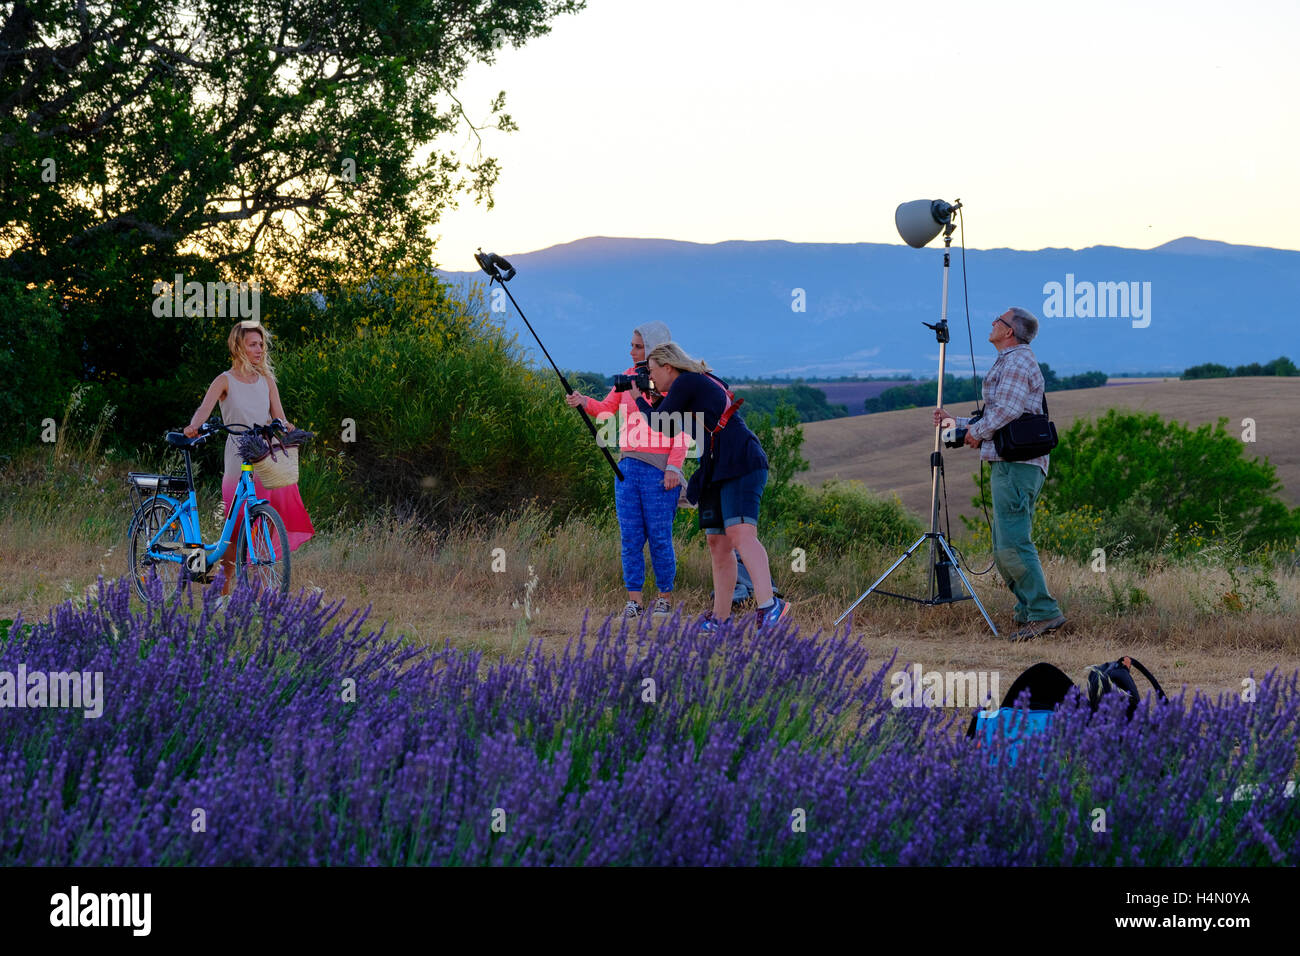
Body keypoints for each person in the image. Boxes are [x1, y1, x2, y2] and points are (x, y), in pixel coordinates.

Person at [631, 342, 790, 631]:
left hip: (740, 460)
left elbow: (658, 423)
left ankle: (769, 605)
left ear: (669, 367)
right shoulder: (696, 383)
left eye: (653, 372)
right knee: (718, 543)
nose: (652, 378)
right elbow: (670, 426)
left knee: (741, 534)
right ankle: (721, 620)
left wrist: (637, 398)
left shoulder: (688, 380)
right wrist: (653, 398)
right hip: (716, 466)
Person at [935, 307, 1065, 641]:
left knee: (1013, 543)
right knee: (1004, 544)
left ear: (1010, 332)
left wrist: (976, 434)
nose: (993, 323)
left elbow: (1007, 412)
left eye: (999, 320)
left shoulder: (1018, 362)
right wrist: (958, 425)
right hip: (1012, 464)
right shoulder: (1012, 361)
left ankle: (1043, 612)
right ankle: (1028, 612)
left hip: (1017, 468)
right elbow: (1001, 415)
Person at [565, 322, 689, 620]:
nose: (631, 351)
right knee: (631, 538)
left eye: (638, 346)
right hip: (627, 468)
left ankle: (664, 600)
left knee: (660, 537)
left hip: (660, 472)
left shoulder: (672, 382)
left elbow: (683, 428)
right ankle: (634, 601)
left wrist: (674, 466)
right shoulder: (626, 380)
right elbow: (606, 408)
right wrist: (583, 401)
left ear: (656, 348)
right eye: (632, 345)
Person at [184, 319, 315, 594]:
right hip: (236, 457)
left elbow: (279, 416)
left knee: (259, 520)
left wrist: (290, 429)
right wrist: (194, 426)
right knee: (234, 527)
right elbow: (203, 410)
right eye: (253, 344)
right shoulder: (225, 380)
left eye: (261, 344)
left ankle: (257, 584)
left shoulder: (267, 381)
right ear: (238, 346)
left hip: (265, 458)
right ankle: (223, 587)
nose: (259, 349)